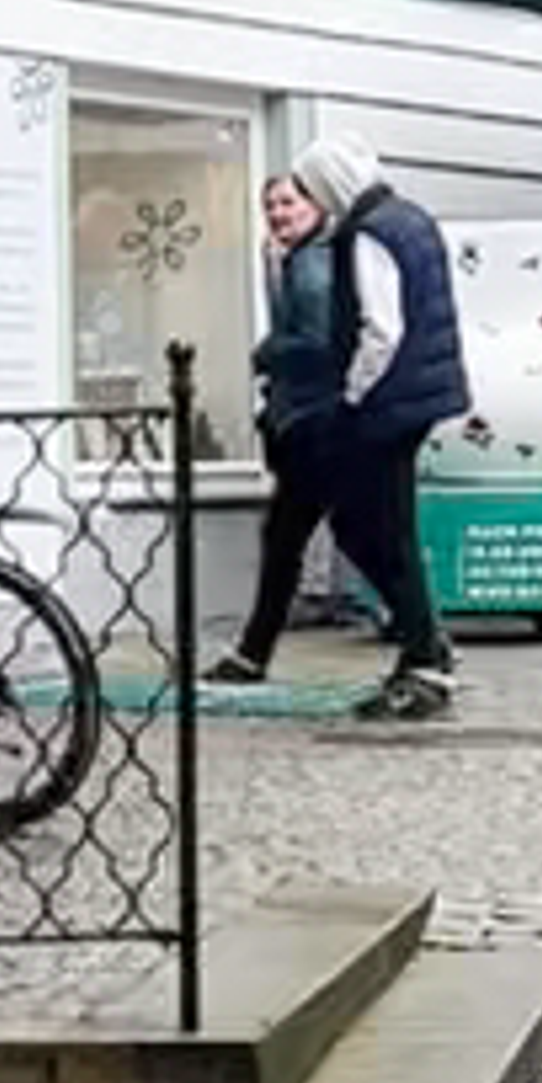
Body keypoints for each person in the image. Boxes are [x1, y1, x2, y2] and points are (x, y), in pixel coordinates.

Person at [211, 130, 464, 717]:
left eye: (299, 197)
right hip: (406, 400)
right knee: (362, 530)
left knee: (371, 532)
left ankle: (425, 656)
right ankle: (422, 650)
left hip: (355, 411)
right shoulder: (410, 219)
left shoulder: (361, 237)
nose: (282, 212)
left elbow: (378, 331)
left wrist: (348, 395)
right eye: (271, 204)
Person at [211, 170, 353, 692]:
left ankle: (253, 652)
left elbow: (317, 342)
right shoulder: (292, 259)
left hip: (314, 425)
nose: (277, 214)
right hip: (305, 422)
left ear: (316, 208)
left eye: (288, 203)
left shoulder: (311, 266)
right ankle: (253, 651)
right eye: (270, 205)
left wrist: (268, 353)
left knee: (323, 539)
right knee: (298, 539)